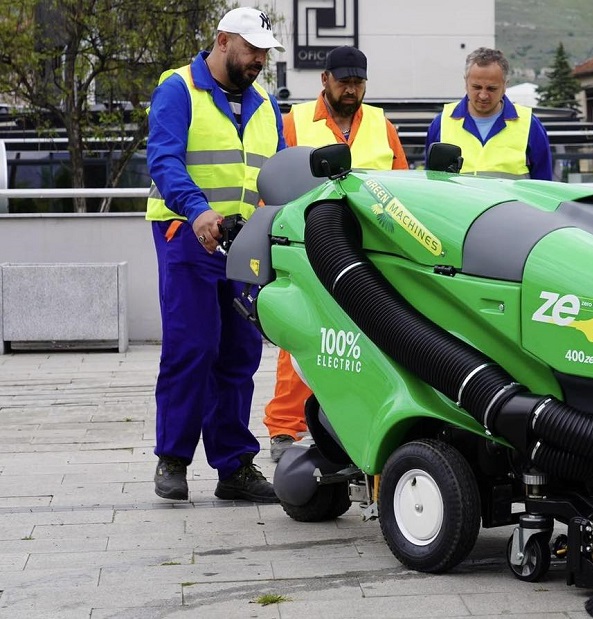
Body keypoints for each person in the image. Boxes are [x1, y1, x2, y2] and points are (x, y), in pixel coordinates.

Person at [146, 7, 286, 502]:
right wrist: (197, 209)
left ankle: (234, 467)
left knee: (240, 354)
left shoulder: (265, 102)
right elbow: (163, 158)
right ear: (224, 41)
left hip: (245, 240)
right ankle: (173, 459)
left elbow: (280, 171)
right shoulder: (178, 88)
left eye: (265, 55)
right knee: (193, 346)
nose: (258, 62)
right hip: (187, 234)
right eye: (251, 51)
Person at [265, 45, 409, 462]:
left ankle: (354, 422)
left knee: (365, 340)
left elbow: (401, 187)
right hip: (306, 246)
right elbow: (271, 185)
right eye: (343, 81)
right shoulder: (293, 124)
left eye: (358, 82)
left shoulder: (383, 126)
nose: (351, 90)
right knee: (299, 334)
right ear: (324, 80)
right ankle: (284, 429)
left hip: (369, 252)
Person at [425, 47, 553, 180]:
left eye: (491, 88)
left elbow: (545, 187)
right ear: (466, 83)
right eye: (476, 87)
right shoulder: (441, 123)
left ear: (505, 85)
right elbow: (431, 183)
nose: (483, 95)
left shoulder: (529, 125)